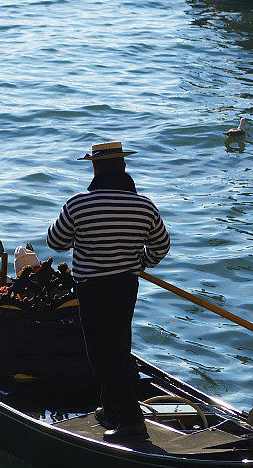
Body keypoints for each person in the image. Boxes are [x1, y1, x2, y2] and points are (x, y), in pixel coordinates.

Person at [47, 142, 170, 443]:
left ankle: (132, 422)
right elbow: (161, 246)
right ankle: (111, 411)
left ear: (95, 168)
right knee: (118, 348)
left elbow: (56, 242)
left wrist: (84, 237)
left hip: (93, 287)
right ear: (124, 168)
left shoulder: (78, 204)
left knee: (102, 356)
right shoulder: (144, 205)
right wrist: (141, 262)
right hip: (127, 286)